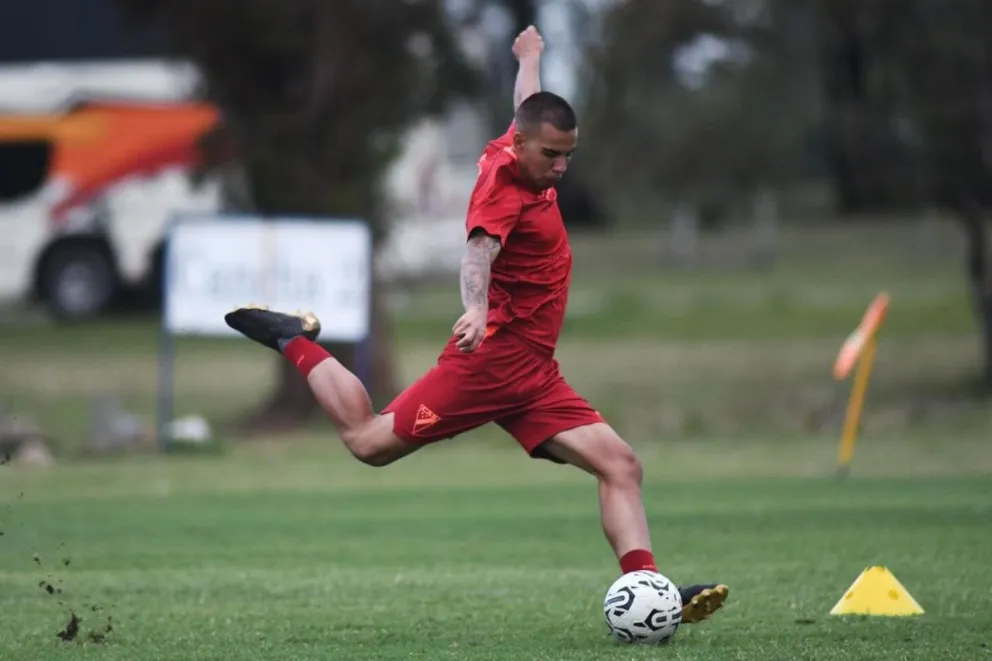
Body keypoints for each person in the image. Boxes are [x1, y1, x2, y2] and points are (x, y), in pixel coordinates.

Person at [224, 25, 729, 624]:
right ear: (520, 148)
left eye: (569, 153)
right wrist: (477, 307)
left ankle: (648, 592)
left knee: (621, 465)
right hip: (489, 363)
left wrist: (531, 57)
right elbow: (478, 253)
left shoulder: (521, 143)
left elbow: (527, 107)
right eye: (552, 155)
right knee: (367, 442)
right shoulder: (503, 189)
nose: (562, 166)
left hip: (533, 373)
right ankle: (294, 340)